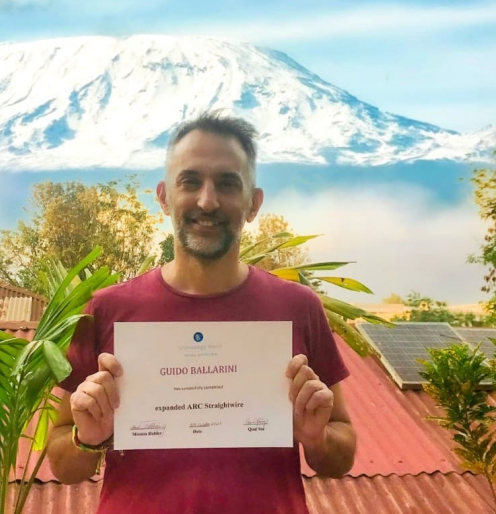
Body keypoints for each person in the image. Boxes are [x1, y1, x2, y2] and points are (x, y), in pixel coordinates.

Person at [47, 112, 356, 513]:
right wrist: (87, 438)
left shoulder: (298, 306)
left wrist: (316, 438)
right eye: (190, 181)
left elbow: (341, 454)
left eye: (227, 183)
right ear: (164, 197)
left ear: (253, 203)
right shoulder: (107, 309)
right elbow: (62, 463)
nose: (207, 201)